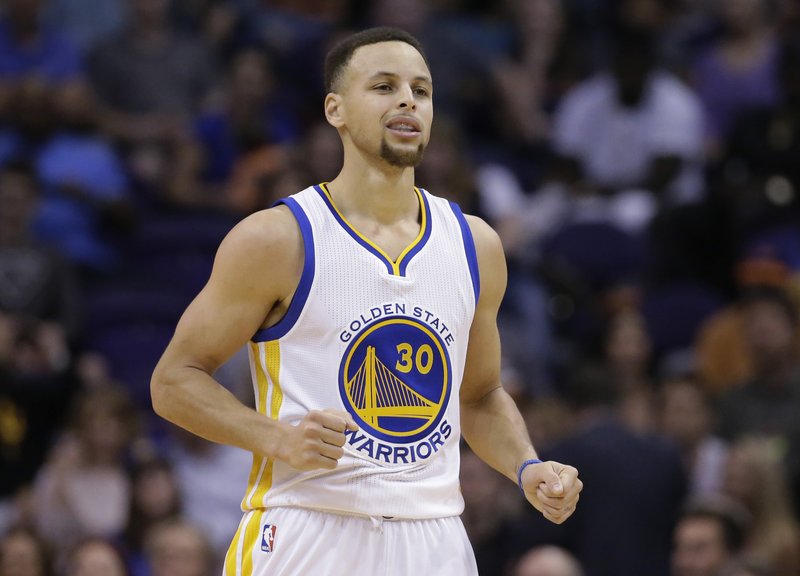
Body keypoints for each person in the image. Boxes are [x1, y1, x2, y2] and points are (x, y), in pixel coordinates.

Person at [150, 26, 583, 576]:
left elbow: (478, 396)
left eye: (421, 91)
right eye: (383, 86)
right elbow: (173, 381)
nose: (407, 100)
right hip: (308, 525)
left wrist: (527, 468)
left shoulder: (476, 244)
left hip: (434, 537)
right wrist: (277, 438)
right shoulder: (277, 238)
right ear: (336, 110)